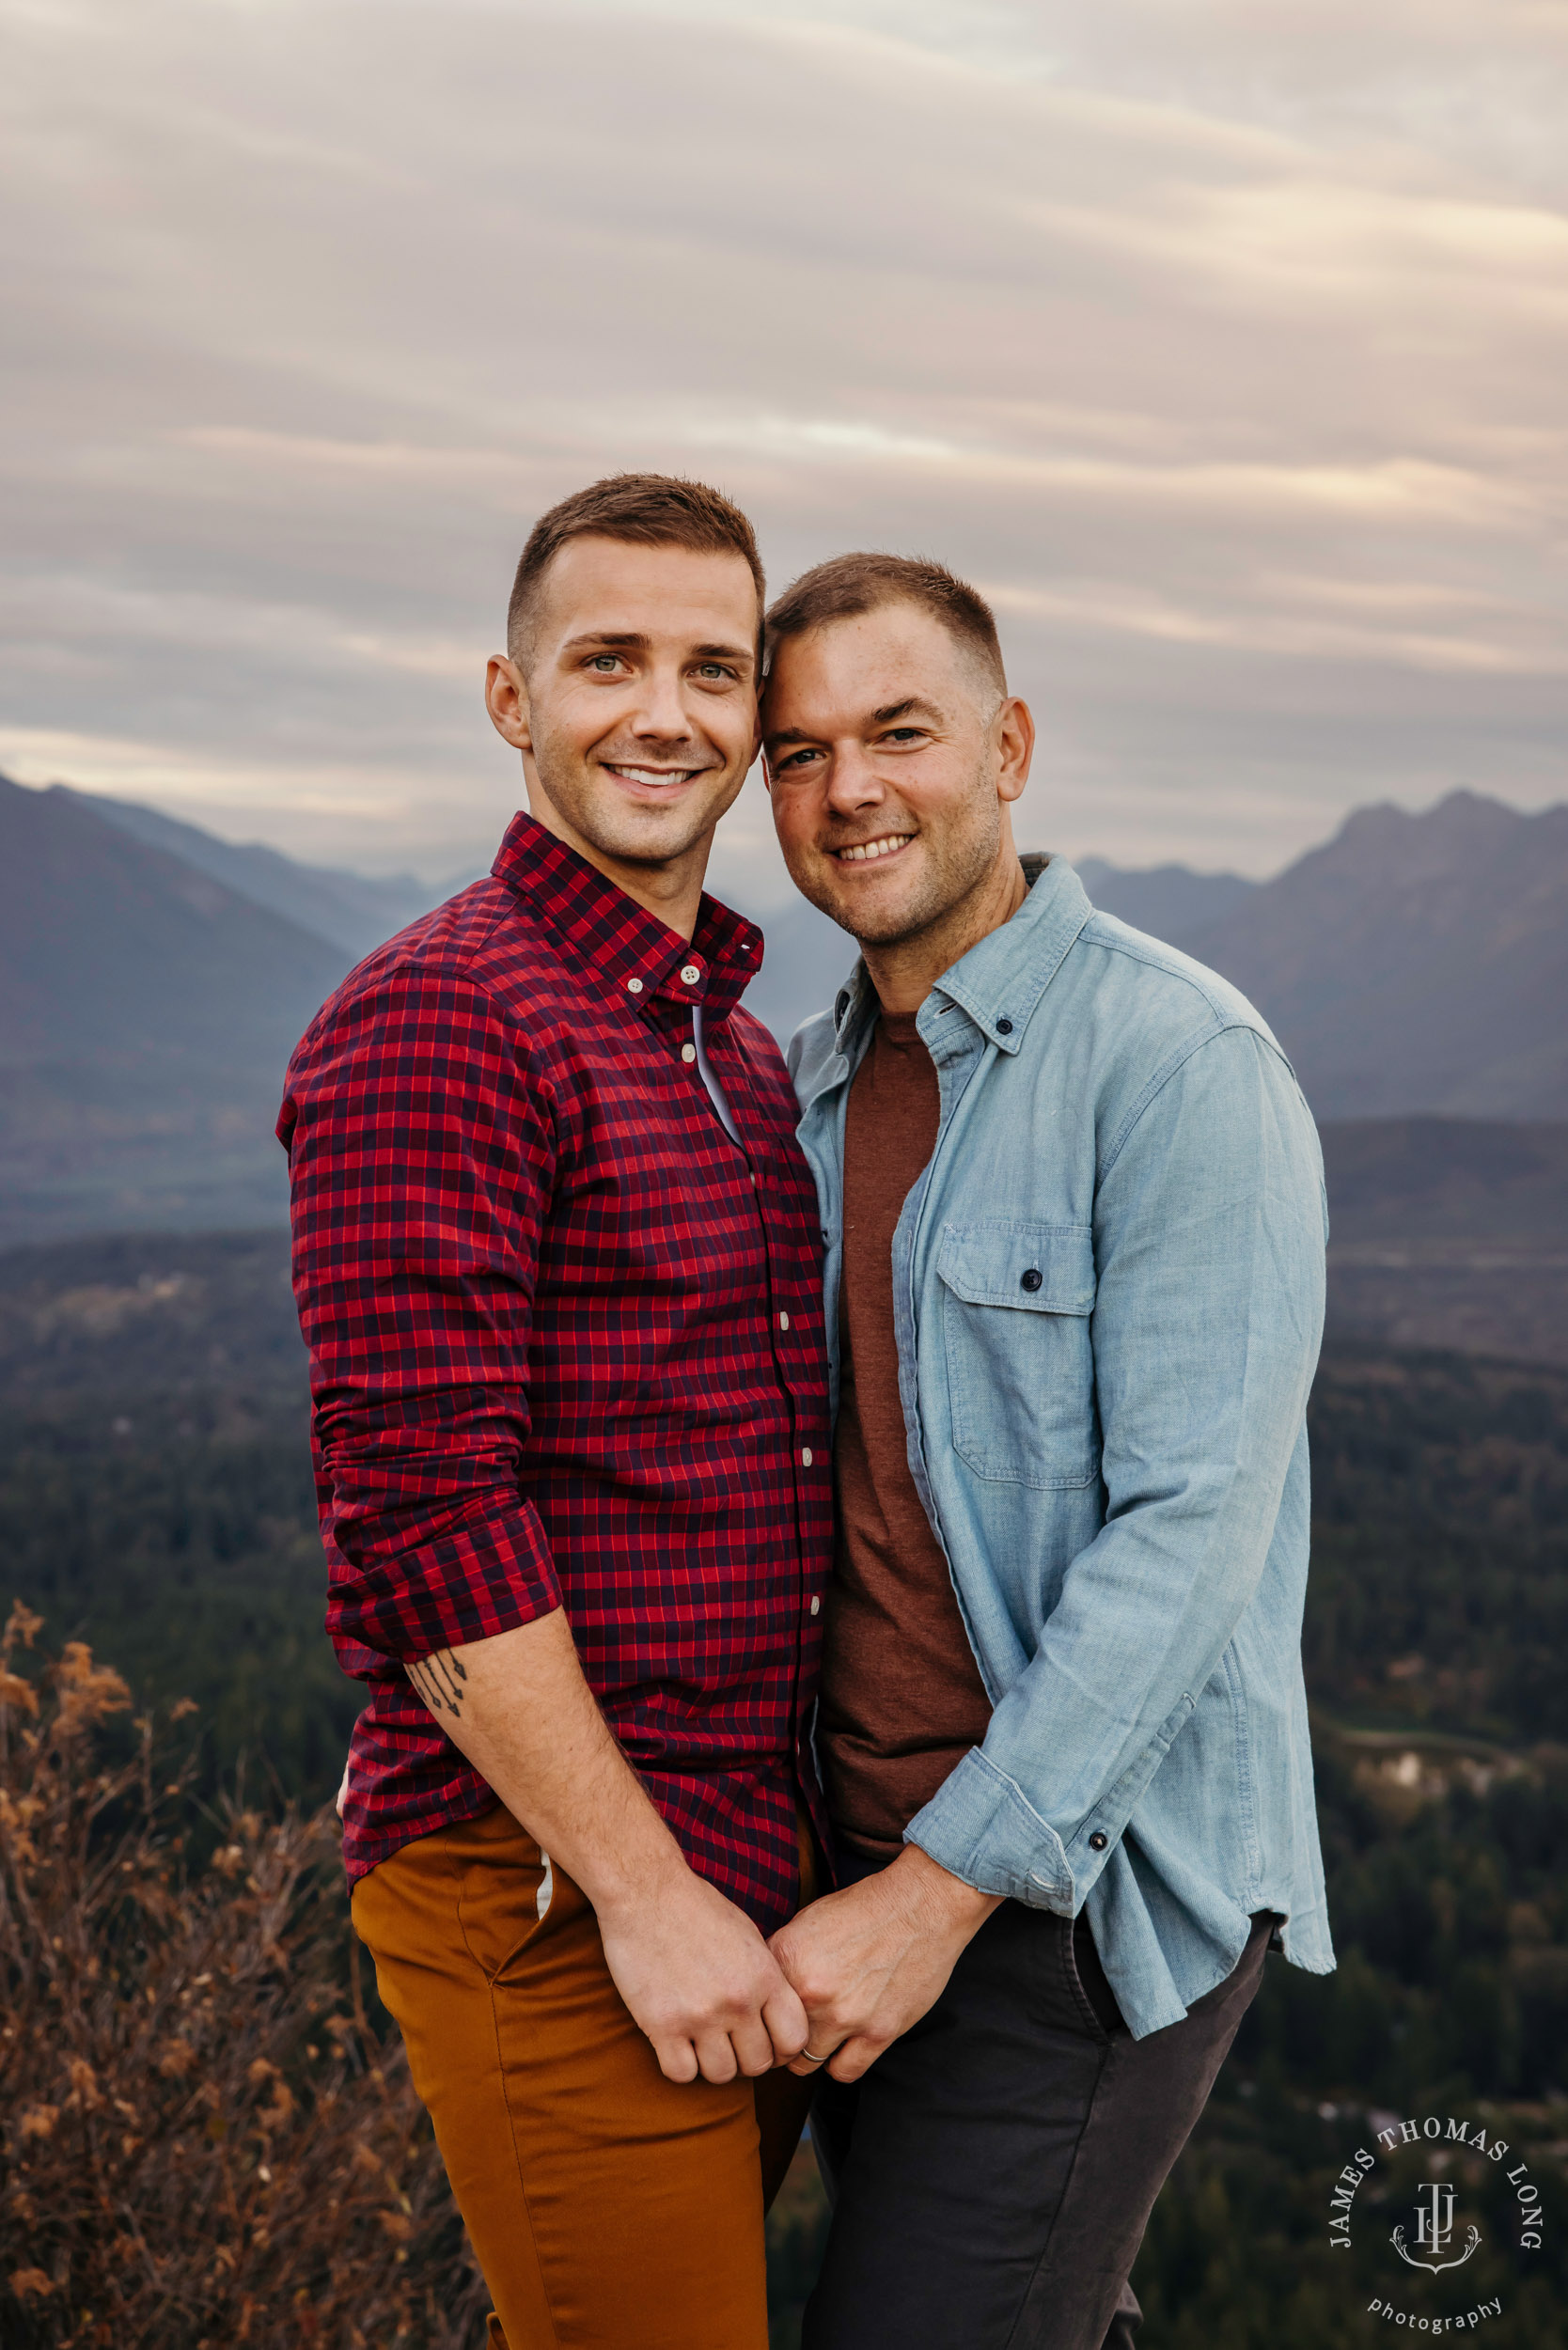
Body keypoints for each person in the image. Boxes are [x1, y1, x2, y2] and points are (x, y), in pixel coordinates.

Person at [278, 474, 834, 2350]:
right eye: (608, 660)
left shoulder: (731, 1044)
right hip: (557, 1884)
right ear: (512, 699)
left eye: (709, 666)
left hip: (737, 1877)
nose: (662, 712)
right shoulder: (447, 1016)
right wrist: (643, 1890)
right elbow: (422, 1513)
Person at [759, 555, 1335, 2349]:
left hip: (1061, 1901)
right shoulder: (808, 1081)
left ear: (1008, 747)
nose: (847, 787)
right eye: (797, 750)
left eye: (898, 730)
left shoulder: (1180, 1063)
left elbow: (1188, 1542)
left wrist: (935, 1904)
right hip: (841, 1861)